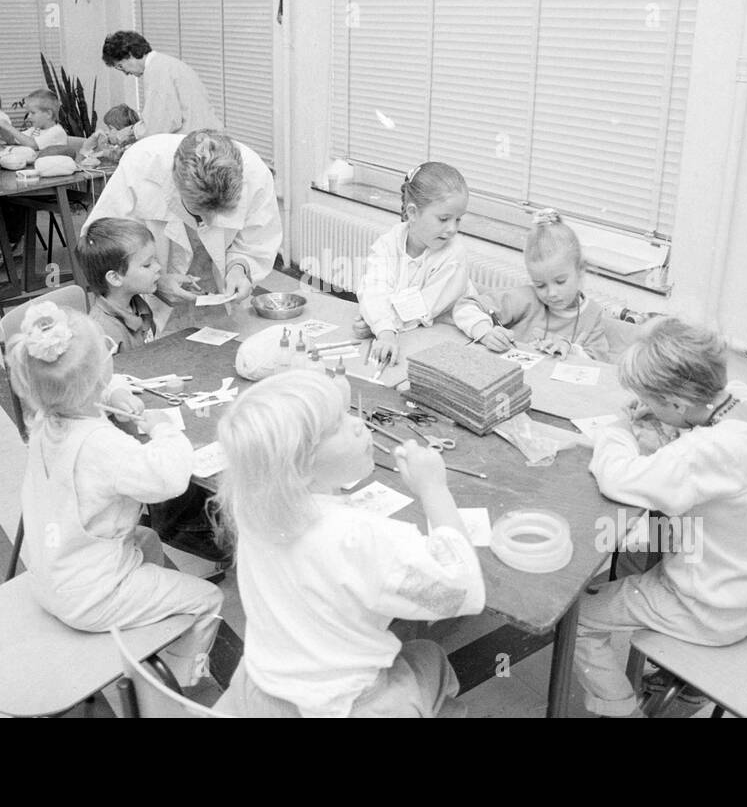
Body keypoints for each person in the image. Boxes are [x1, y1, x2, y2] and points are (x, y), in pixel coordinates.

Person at [213, 370, 485, 717]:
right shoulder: (358, 538)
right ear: (297, 468)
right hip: (348, 707)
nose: (357, 423)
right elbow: (462, 592)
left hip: (266, 691)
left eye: (346, 412)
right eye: (335, 427)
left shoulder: (251, 502)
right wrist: (434, 488)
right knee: (431, 655)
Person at [575, 317, 747, 717]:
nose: (646, 407)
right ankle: (684, 685)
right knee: (639, 553)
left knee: (579, 616)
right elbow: (699, 439)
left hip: (711, 609)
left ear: (675, 403)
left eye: (653, 400)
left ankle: (621, 711)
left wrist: (617, 427)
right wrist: (667, 417)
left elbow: (615, 476)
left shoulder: (700, 455)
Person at [7, 301, 223, 687]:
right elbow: (168, 478)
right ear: (96, 380)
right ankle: (176, 691)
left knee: (148, 539)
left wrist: (115, 395)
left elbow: (83, 396)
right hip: (89, 595)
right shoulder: (103, 446)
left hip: (50, 573)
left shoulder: (43, 418)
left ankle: (147, 643)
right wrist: (165, 431)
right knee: (207, 599)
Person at [82, 129, 282, 332]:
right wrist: (155, 282)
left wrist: (239, 268)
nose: (209, 223)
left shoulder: (255, 176)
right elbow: (100, 247)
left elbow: (257, 242)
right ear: (176, 186)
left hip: (218, 293)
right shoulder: (142, 165)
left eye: (220, 214)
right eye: (198, 212)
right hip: (151, 295)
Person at [358, 162, 478, 367]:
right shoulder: (388, 243)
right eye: (444, 219)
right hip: (406, 336)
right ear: (413, 213)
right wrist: (383, 328)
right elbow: (374, 289)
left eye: (458, 220)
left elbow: (423, 306)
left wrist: (381, 325)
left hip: (446, 341)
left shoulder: (454, 253)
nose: (452, 229)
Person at [452, 208, 610, 360]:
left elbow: (599, 362)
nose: (551, 293)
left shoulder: (592, 314)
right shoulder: (526, 298)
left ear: (580, 270)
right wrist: (485, 333)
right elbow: (464, 306)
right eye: (540, 285)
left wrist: (571, 349)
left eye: (560, 281)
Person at [0, 89, 70, 268]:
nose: (29, 117)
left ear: (48, 114)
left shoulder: (56, 132)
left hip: (49, 186)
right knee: (4, 198)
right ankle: (15, 240)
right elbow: (15, 141)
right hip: (31, 181)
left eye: (32, 113)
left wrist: (9, 127)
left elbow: (31, 145)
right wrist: (1, 128)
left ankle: (12, 242)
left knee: (11, 200)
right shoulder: (35, 130)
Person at [101, 31, 221, 136]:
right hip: (208, 137)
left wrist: (127, 133)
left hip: (196, 143)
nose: (126, 72)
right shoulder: (165, 63)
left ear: (130, 55)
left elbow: (159, 124)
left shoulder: (156, 71)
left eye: (121, 66)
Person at [78, 217, 161, 353]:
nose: (158, 267)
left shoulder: (138, 305)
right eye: (147, 265)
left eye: (155, 260)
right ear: (115, 278)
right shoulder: (103, 333)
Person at [80, 104, 144, 165]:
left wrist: (103, 153)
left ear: (123, 131)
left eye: (110, 129)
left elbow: (119, 156)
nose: (107, 132)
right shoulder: (114, 146)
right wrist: (92, 139)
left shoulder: (132, 149)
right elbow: (83, 155)